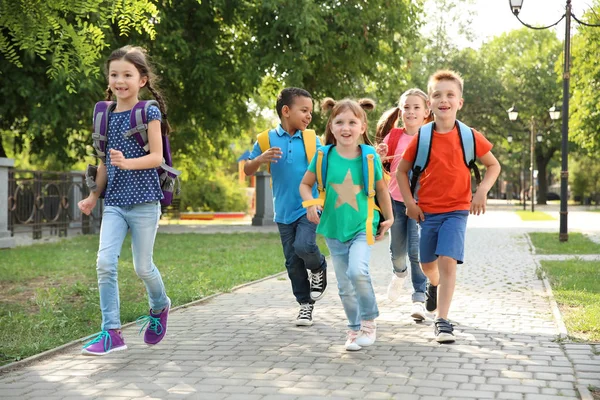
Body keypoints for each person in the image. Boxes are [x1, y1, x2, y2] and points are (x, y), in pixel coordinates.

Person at [77, 46, 172, 355]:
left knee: (143, 267)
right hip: (115, 203)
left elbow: (156, 157)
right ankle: (111, 332)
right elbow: (104, 162)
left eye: (127, 75)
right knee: (105, 263)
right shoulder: (104, 115)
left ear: (142, 80)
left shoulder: (148, 112)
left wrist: (128, 162)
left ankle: (160, 305)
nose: (120, 80)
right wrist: (93, 196)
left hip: (145, 202)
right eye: (114, 74)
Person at [396, 70, 501, 343]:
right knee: (426, 264)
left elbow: (493, 165)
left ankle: (442, 321)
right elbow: (401, 172)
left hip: (457, 210)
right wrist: (409, 203)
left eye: (450, 95)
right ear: (429, 103)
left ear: (460, 102)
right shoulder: (423, 136)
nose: (444, 99)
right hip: (427, 211)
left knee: (447, 262)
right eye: (438, 95)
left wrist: (481, 192)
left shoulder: (469, 135)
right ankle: (433, 285)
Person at [299, 98, 394, 351]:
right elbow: (305, 184)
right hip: (333, 228)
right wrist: (310, 204)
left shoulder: (369, 156)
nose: (346, 128)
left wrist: (390, 216)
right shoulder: (323, 156)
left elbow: (382, 190)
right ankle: (353, 330)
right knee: (343, 286)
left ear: (363, 127)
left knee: (357, 272)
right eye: (339, 122)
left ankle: (369, 321)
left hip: (363, 225)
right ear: (331, 126)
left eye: (352, 122)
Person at [244, 87, 328, 326]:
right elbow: (248, 168)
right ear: (286, 111)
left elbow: (326, 166)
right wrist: (259, 159)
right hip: (283, 211)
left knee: (304, 245)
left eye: (310, 111)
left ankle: (319, 266)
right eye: (304, 110)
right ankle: (305, 305)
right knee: (292, 262)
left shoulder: (312, 139)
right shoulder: (265, 139)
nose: (309, 115)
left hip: (309, 206)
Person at [375, 88, 432, 322]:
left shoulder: (432, 136)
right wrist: (379, 155)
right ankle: (399, 274)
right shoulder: (394, 136)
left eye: (416, 107)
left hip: (421, 203)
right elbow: (380, 166)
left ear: (427, 111)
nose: (411, 111)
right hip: (396, 201)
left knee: (416, 251)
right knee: (397, 252)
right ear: (400, 112)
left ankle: (419, 297)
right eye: (406, 107)